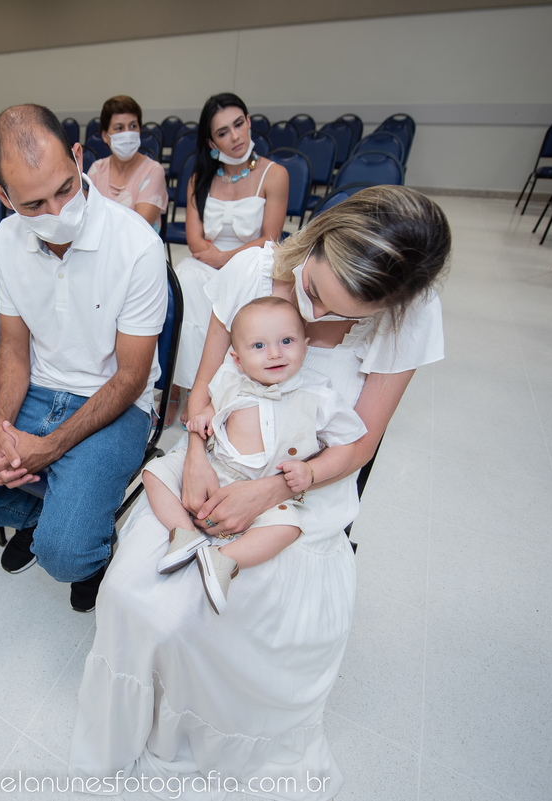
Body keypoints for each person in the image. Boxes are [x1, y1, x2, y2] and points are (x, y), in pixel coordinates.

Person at [70, 185, 451, 800]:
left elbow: (359, 445)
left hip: (306, 479)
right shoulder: (252, 269)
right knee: (133, 595)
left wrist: (268, 492)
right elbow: (204, 392)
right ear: (319, 240)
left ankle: (208, 735)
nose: (319, 317)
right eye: (318, 294)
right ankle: (134, 721)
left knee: (231, 615)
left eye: (348, 315)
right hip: (217, 452)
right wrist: (195, 456)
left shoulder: (412, 313)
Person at [0, 104, 167, 612]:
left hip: (115, 404)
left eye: (66, 188)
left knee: (66, 560)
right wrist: (3, 426)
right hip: (38, 390)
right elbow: (14, 349)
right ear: (3, 196)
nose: (59, 213)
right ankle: (48, 513)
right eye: (34, 203)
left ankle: (77, 530)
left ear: (79, 157)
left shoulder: (137, 245)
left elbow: (130, 378)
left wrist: (49, 448)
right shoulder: (5, 241)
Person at [146, 297, 365, 613]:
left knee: (288, 527)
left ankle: (224, 560)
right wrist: (204, 416)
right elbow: (211, 404)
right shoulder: (230, 378)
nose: (275, 353)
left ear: (305, 346)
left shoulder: (321, 396)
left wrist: (313, 473)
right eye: (259, 346)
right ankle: (183, 534)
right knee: (155, 473)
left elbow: (348, 447)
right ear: (237, 358)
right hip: (216, 466)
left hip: (267, 488)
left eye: (286, 341)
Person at [172, 93, 288, 390]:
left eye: (239, 124)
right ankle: (184, 385)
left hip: (251, 263)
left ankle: (214, 385)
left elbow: (270, 238)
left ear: (249, 122)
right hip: (207, 262)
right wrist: (214, 259)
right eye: (223, 132)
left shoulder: (275, 174)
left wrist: (225, 259)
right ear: (211, 143)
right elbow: (195, 241)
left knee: (221, 284)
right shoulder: (199, 179)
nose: (235, 136)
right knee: (185, 275)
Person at [86, 95, 167, 231]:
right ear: (105, 136)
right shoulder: (96, 169)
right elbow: (86, 219)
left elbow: (139, 227)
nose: (128, 133)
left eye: (133, 126)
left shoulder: (153, 171)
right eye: (119, 128)